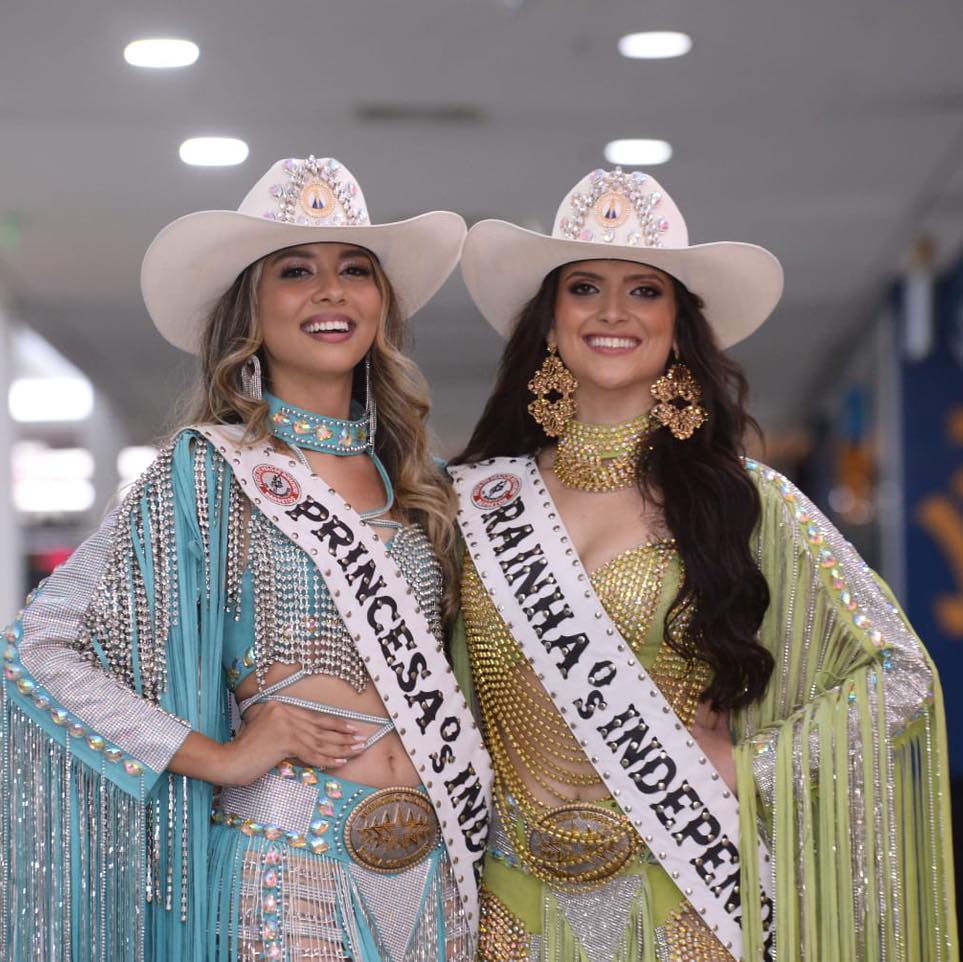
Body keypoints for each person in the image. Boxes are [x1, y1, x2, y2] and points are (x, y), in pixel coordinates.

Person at [447, 166, 957, 962]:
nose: (613, 311)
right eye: (584, 287)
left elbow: (899, 676)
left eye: (644, 291)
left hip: (684, 903)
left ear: (679, 329)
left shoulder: (743, 501)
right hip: (501, 918)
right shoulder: (468, 504)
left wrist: (755, 765)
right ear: (549, 323)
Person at [1, 155, 491, 962]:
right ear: (251, 313)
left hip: (431, 872)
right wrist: (220, 757)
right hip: (284, 865)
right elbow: (37, 651)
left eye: (355, 270)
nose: (332, 291)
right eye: (297, 271)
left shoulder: (417, 485)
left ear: (380, 305)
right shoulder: (208, 471)